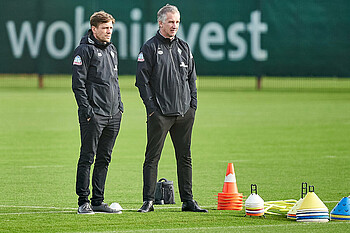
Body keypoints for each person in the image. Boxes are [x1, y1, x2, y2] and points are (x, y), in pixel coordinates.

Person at [135, 4, 207, 213]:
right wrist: (152, 109)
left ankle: (188, 200)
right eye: (170, 22)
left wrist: (192, 105)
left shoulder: (184, 47)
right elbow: (142, 81)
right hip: (160, 114)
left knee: (185, 157)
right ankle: (148, 201)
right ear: (160, 23)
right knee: (152, 157)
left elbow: (192, 78)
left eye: (177, 22)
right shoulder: (149, 47)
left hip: (184, 113)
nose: (174, 25)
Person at [72, 10, 123, 214]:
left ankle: (98, 201)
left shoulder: (112, 49)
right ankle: (83, 201)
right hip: (94, 115)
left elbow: (114, 82)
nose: (109, 31)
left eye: (111, 28)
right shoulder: (83, 51)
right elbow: (78, 84)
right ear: (94, 29)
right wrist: (87, 110)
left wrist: (119, 107)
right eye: (105, 28)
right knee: (87, 157)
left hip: (113, 115)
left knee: (105, 158)